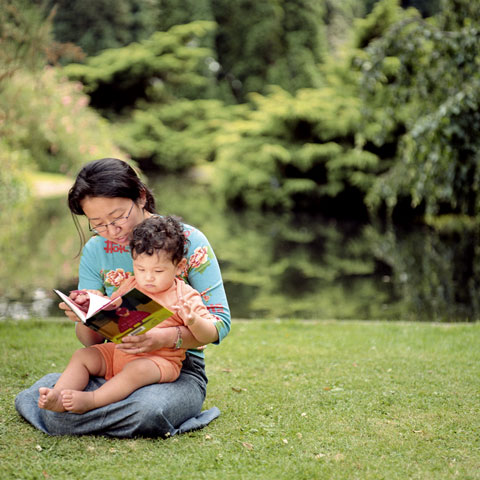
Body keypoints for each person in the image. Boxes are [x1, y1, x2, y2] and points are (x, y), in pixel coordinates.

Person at [15, 158, 231, 437]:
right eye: (98, 224)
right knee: (68, 399)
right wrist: (86, 315)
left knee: (150, 410)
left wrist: (165, 337)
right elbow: (92, 342)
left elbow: (220, 324)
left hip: (174, 368)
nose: (112, 231)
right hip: (117, 357)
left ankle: (79, 404)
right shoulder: (96, 250)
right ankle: (76, 402)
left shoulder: (187, 242)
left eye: (117, 217)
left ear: (141, 197)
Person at [38, 215, 220, 414]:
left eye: (158, 271)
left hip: (157, 362)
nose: (148, 277)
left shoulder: (184, 295)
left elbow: (209, 334)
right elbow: (111, 310)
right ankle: (59, 395)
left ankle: (92, 400)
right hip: (119, 352)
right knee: (83, 356)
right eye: (141, 268)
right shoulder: (131, 284)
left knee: (137, 371)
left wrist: (193, 321)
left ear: (179, 267)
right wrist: (90, 307)